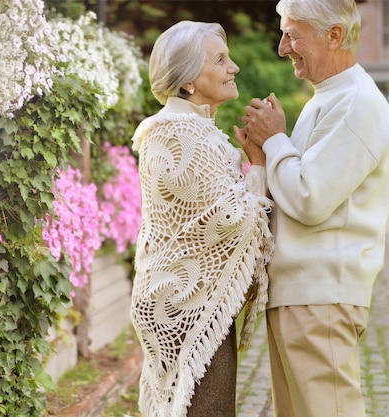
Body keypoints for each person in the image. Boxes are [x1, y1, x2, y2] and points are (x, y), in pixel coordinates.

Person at [237, 1, 389, 416]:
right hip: (301, 295)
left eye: (292, 33)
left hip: (320, 296)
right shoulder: (330, 98)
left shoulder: (358, 103)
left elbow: (310, 199)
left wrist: (274, 140)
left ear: (334, 35)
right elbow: (295, 192)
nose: (283, 47)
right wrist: (264, 158)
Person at [130, 20, 274, 417]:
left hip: (185, 301)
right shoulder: (182, 134)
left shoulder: (182, 129)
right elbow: (234, 220)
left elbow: (207, 216)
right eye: (221, 60)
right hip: (186, 307)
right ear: (190, 79)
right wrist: (259, 163)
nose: (234, 68)